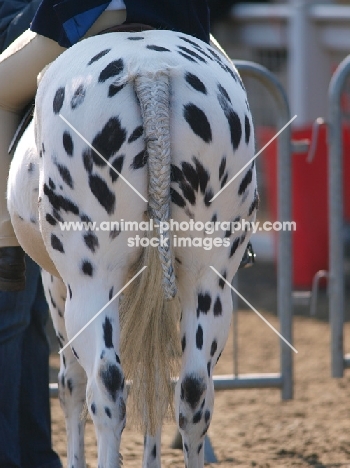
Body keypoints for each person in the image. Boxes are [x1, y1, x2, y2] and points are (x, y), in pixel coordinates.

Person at [0, 0, 211, 291]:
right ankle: (235, 224)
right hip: (179, 17)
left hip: (92, 12)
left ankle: (6, 246)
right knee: (228, 79)